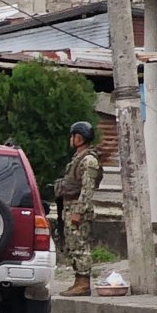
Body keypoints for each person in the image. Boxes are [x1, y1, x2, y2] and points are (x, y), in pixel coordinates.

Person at [56, 121, 101, 297]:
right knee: (72, 245)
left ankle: (83, 283)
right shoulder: (79, 158)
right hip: (70, 206)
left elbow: (87, 189)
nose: (71, 139)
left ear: (79, 137)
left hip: (77, 208)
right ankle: (78, 280)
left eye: (73, 135)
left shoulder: (89, 160)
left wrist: (79, 211)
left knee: (80, 245)